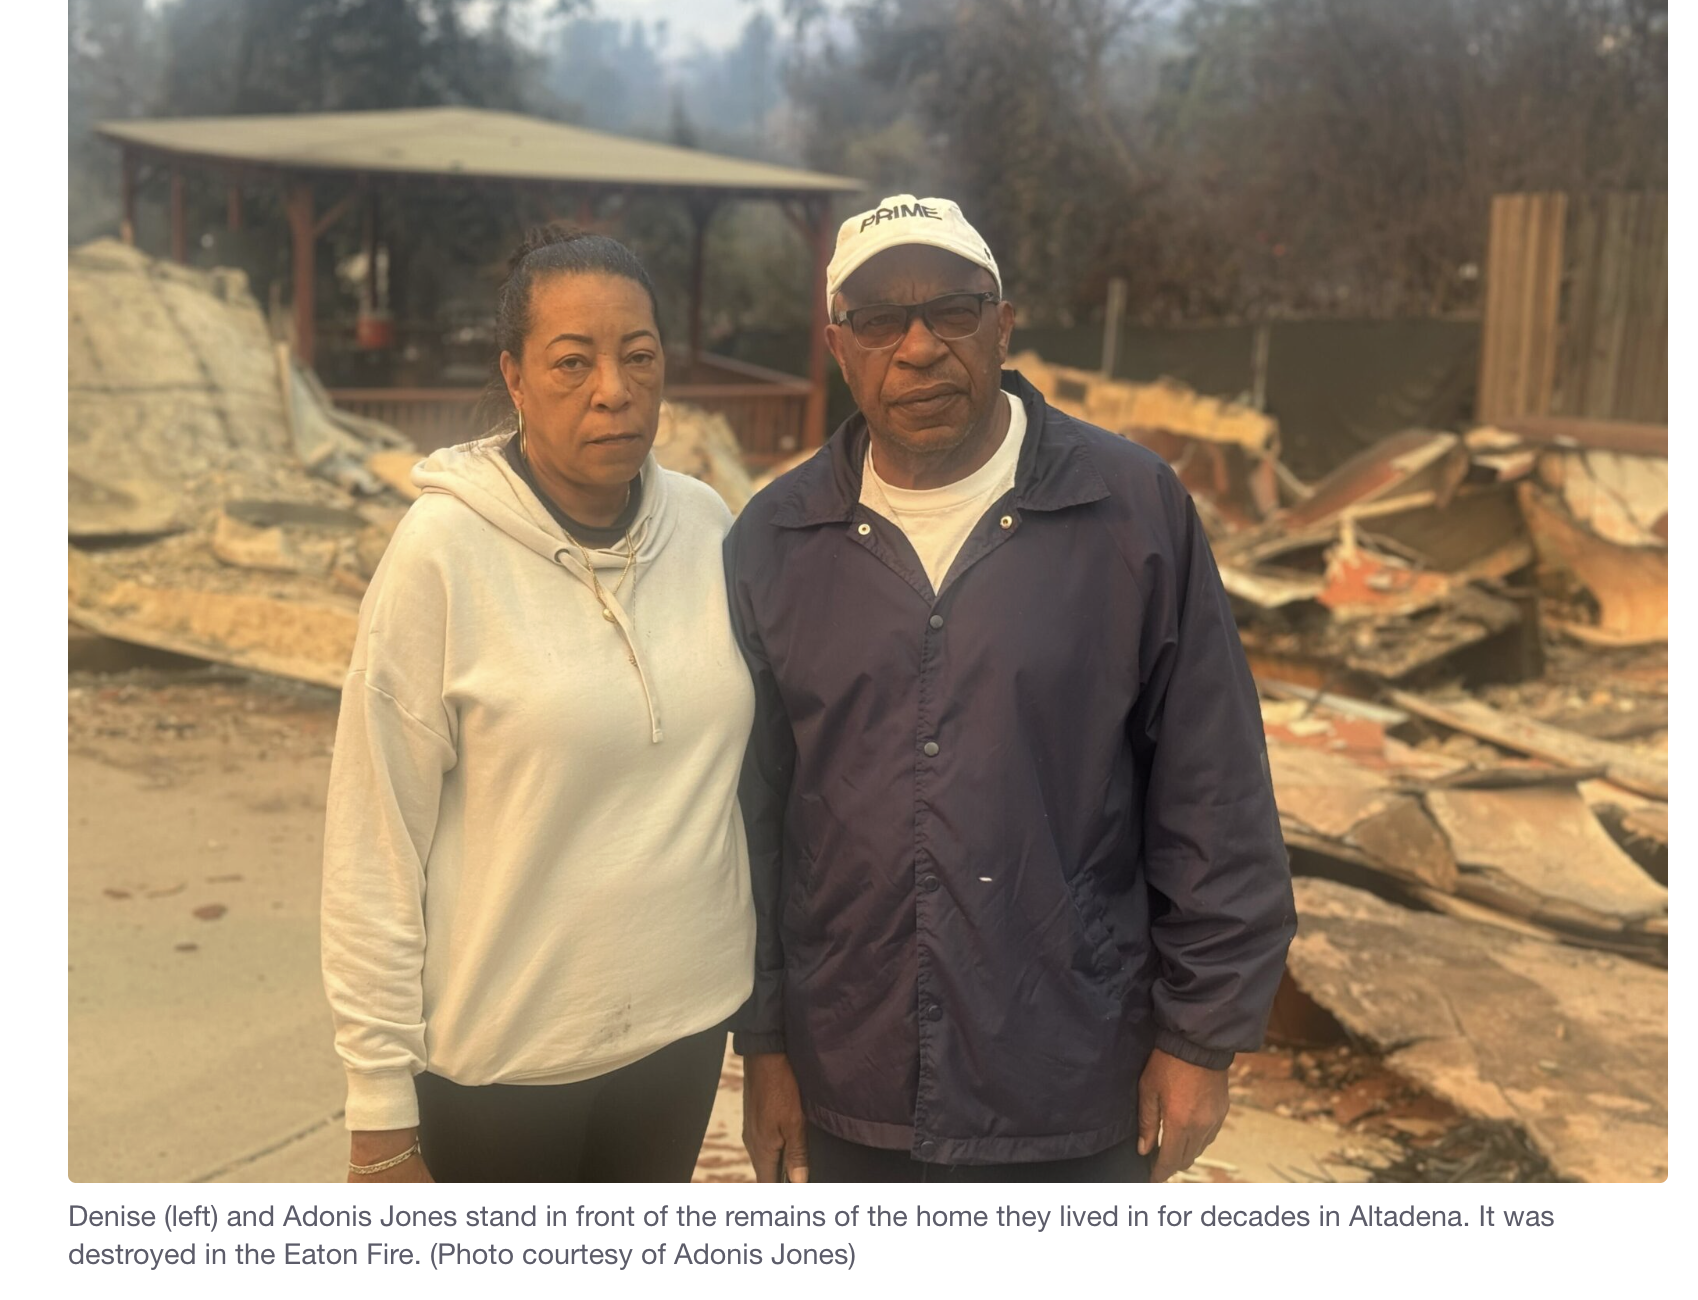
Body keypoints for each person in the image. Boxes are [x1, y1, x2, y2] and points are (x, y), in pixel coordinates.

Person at [726, 194, 1296, 1184]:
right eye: (878, 320)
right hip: (852, 1081)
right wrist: (765, 1044)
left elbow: (1213, 789)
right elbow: (755, 820)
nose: (917, 347)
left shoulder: (1130, 511)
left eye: (952, 309)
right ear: (837, 345)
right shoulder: (776, 540)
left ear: (1004, 324)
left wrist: (1201, 1039)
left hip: (1073, 1080)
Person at [321, 225, 756, 1184]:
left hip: (683, 1034)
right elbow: (373, 844)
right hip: (505, 1066)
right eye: (573, 362)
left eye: (639, 357)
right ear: (514, 379)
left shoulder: (708, 526)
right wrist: (380, 1114)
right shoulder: (442, 554)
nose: (614, 389)